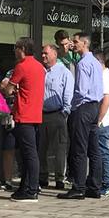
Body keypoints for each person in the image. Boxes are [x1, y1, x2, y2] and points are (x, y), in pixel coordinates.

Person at [61, 31, 104, 199]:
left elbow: (81, 90)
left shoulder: (83, 63)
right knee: (94, 149)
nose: (73, 43)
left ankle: (78, 186)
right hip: (94, 107)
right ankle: (94, 186)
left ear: (85, 43)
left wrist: (73, 106)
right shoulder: (95, 62)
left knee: (79, 148)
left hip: (84, 107)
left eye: (76, 41)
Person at [6, 37, 45, 202]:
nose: (14, 51)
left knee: (29, 154)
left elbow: (8, 89)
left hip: (24, 113)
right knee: (29, 153)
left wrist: (7, 87)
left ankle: (31, 190)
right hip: (35, 113)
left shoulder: (21, 66)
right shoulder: (39, 66)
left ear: (21, 48)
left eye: (15, 47)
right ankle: (25, 187)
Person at [39, 43, 73, 191]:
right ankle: (42, 176)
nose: (43, 56)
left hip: (57, 114)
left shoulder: (64, 72)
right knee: (41, 148)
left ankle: (60, 178)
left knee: (59, 148)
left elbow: (68, 94)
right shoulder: (40, 71)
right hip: (41, 115)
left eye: (46, 53)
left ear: (54, 54)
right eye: (42, 53)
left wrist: (64, 112)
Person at [96, 51, 109, 197]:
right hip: (104, 121)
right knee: (101, 153)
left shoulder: (105, 78)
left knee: (104, 153)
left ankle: (107, 184)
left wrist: (98, 120)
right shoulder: (104, 76)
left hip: (104, 122)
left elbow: (106, 100)